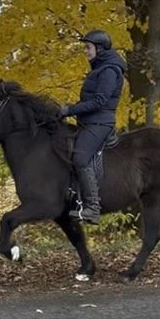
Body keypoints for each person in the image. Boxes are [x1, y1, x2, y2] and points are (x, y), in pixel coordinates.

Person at [57, 29, 127, 224]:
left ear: (100, 49)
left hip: (100, 123)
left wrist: (69, 110)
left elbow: (100, 101)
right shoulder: (100, 69)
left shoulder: (109, 71)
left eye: (88, 48)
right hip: (89, 121)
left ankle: (92, 208)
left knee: (80, 158)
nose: (85, 51)